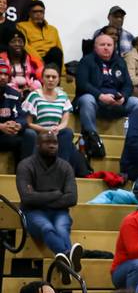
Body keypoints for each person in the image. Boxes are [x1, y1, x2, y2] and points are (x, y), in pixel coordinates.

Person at [16, 130, 82, 271]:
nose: (52, 146)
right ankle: (67, 256)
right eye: (47, 143)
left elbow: (72, 198)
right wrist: (56, 194)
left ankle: (65, 263)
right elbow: (27, 198)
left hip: (59, 212)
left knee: (61, 229)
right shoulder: (25, 165)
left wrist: (40, 197)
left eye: (55, 143)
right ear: (38, 145)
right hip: (32, 212)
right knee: (47, 228)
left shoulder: (65, 167)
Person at [75, 34, 138, 139]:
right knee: (87, 99)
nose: (106, 47)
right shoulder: (86, 61)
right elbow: (82, 83)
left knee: (136, 103)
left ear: (113, 47)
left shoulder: (120, 62)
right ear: (95, 47)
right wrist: (100, 96)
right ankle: (92, 137)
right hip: (96, 100)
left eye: (109, 45)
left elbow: (128, 84)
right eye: (102, 45)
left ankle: (133, 138)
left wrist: (123, 96)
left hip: (116, 102)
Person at [21, 64, 76, 161]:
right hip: (38, 132)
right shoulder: (34, 95)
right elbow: (28, 123)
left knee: (68, 132)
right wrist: (45, 130)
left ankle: (61, 168)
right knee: (29, 133)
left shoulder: (63, 96)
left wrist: (56, 129)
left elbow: (64, 122)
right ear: (42, 78)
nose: (51, 79)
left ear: (58, 79)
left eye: (54, 77)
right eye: (47, 76)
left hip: (55, 132)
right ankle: (30, 169)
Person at [16, 0, 64, 69]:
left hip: (52, 59)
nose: (39, 14)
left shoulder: (53, 30)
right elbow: (25, 46)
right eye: (35, 12)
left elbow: (60, 49)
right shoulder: (21, 26)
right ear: (29, 13)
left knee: (56, 51)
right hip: (33, 60)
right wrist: (40, 61)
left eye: (41, 11)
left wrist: (63, 72)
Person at [1, 29, 43, 96]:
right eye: (13, 41)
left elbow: (41, 73)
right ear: (7, 44)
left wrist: (29, 88)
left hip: (28, 89)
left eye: (20, 41)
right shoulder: (1, 58)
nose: (17, 44)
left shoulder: (31, 59)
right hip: (7, 89)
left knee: (37, 84)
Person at [0, 60, 27, 161]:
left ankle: (21, 173)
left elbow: (22, 116)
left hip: (6, 135)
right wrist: (1, 126)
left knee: (27, 136)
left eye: (5, 74)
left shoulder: (14, 94)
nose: (3, 77)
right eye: (0, 73)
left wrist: (17, 125)